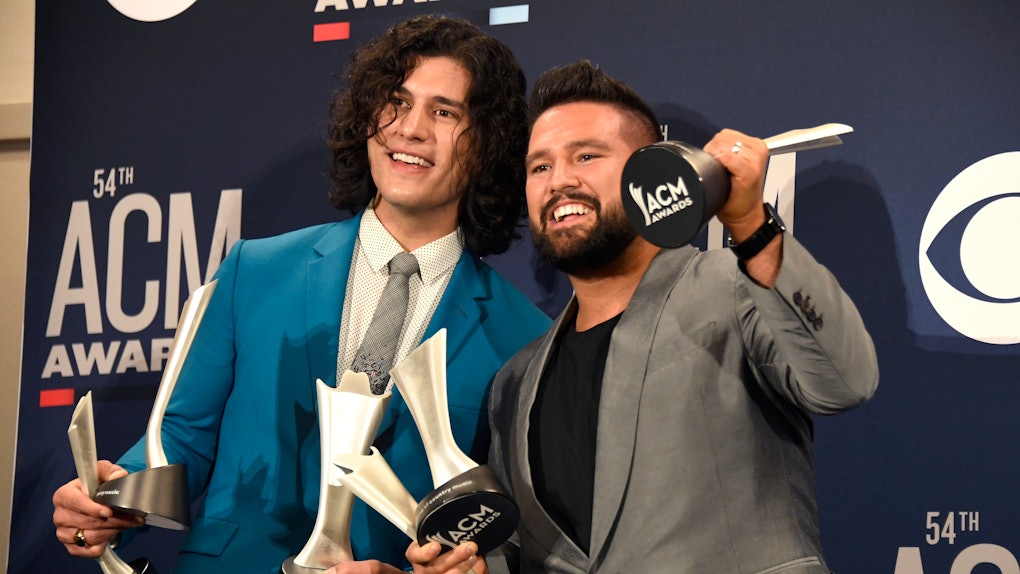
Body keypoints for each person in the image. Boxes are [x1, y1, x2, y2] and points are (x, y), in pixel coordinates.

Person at [51, 16, 550, 574]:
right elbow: (182, 438)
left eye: (444, 112)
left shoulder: (523, 337)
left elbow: (505, 527)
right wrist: (116, 497)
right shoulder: (254, 270)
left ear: (487, 143)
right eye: (397, 102)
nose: (411, 129)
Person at [486, 61, 879, 573]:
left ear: (651, 171)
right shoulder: (515, 382)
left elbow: (844, 381)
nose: (559, 180)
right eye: (539, 167)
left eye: (586, 156)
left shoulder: (740, 287)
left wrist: (751, 225)